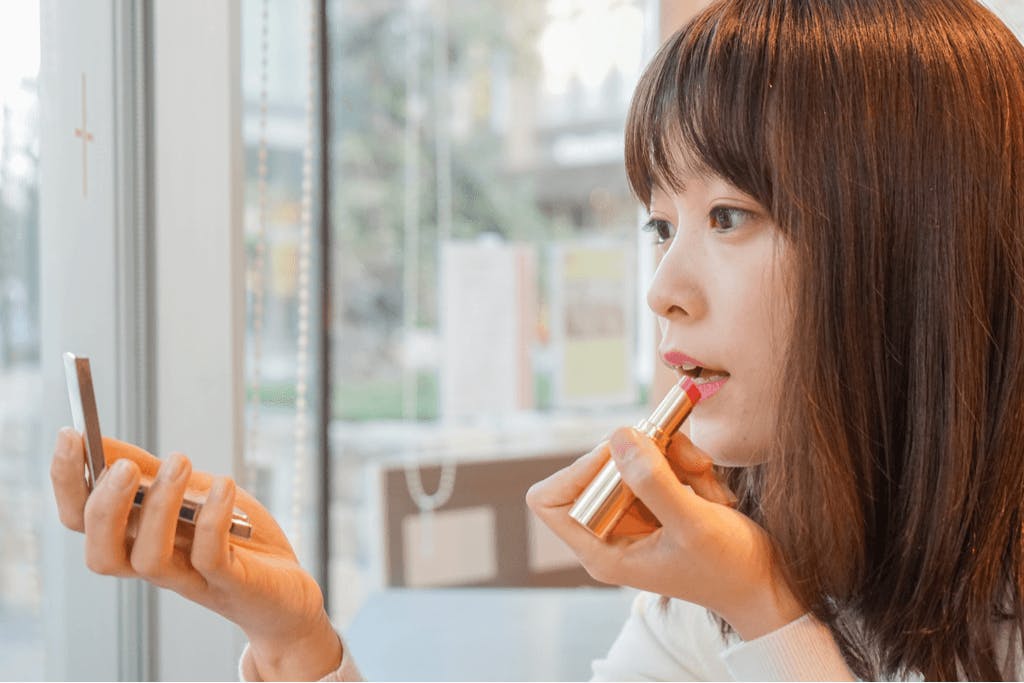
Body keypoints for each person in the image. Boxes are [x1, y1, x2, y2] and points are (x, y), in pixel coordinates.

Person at [50, 0, 1024, 679]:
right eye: (659, 223)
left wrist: (764, 611)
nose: (664, 291)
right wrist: (292, 634)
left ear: (909, 242)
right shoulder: (729, 563)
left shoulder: (745, 575)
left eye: (728, 216)